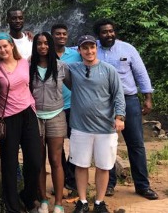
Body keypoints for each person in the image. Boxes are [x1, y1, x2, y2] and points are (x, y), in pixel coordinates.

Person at [93, 18, 158, 200]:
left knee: (136, 143)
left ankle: (142, 186)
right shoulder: (91, 49)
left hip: (129, 101)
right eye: (105, 32)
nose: (109, 34)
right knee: (106, 144)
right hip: (103, 102)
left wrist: (147, 97)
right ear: (98, 34)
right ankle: (109, 184)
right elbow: (64, 50)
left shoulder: (127, 49)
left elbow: (140, 72)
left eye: (111, 31)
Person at [68, 35, 125, 213]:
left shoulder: (109, 70)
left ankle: (99, 202)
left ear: (96, 48)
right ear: (79, 51)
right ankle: (83, 201)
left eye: (92, 47)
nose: (89, 51)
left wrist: (119, 117)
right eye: (85, 48)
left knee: (104, 165)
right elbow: (53, 62)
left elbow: (118, 95)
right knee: (80, 165)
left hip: (105, 128)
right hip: (80, 127)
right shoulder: (72, 69)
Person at [0, 32, 41, 213]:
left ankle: (28, 196)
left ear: (12, 46)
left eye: (5, 46)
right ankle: (12, 206)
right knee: (9, 164)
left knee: (35, 160)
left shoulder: (24, 63)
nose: (2, 49)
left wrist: (35, 38)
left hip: (28, 113)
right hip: (8, 118)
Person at [30, 32, 71, 213]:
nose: (43, 46)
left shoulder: (61, 67)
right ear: (35, 46)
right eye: (39, 43)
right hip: (35, 116)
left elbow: (74, 87)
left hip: (56, 116)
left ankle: (59, 203)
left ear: (51, 45)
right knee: (39, 160)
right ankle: (44, 200)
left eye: (46, 43)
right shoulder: (29, 67)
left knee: (55, 160)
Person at [51, 24, 82, 192]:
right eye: (57, 34)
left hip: (72, 105)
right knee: (57, 146)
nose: (61, 36)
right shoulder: (46, 54)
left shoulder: (76, 54)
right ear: (52, 36)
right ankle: (61, 179)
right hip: (54, 107)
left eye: (64, 34)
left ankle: (72, 177)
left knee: (76, 142)